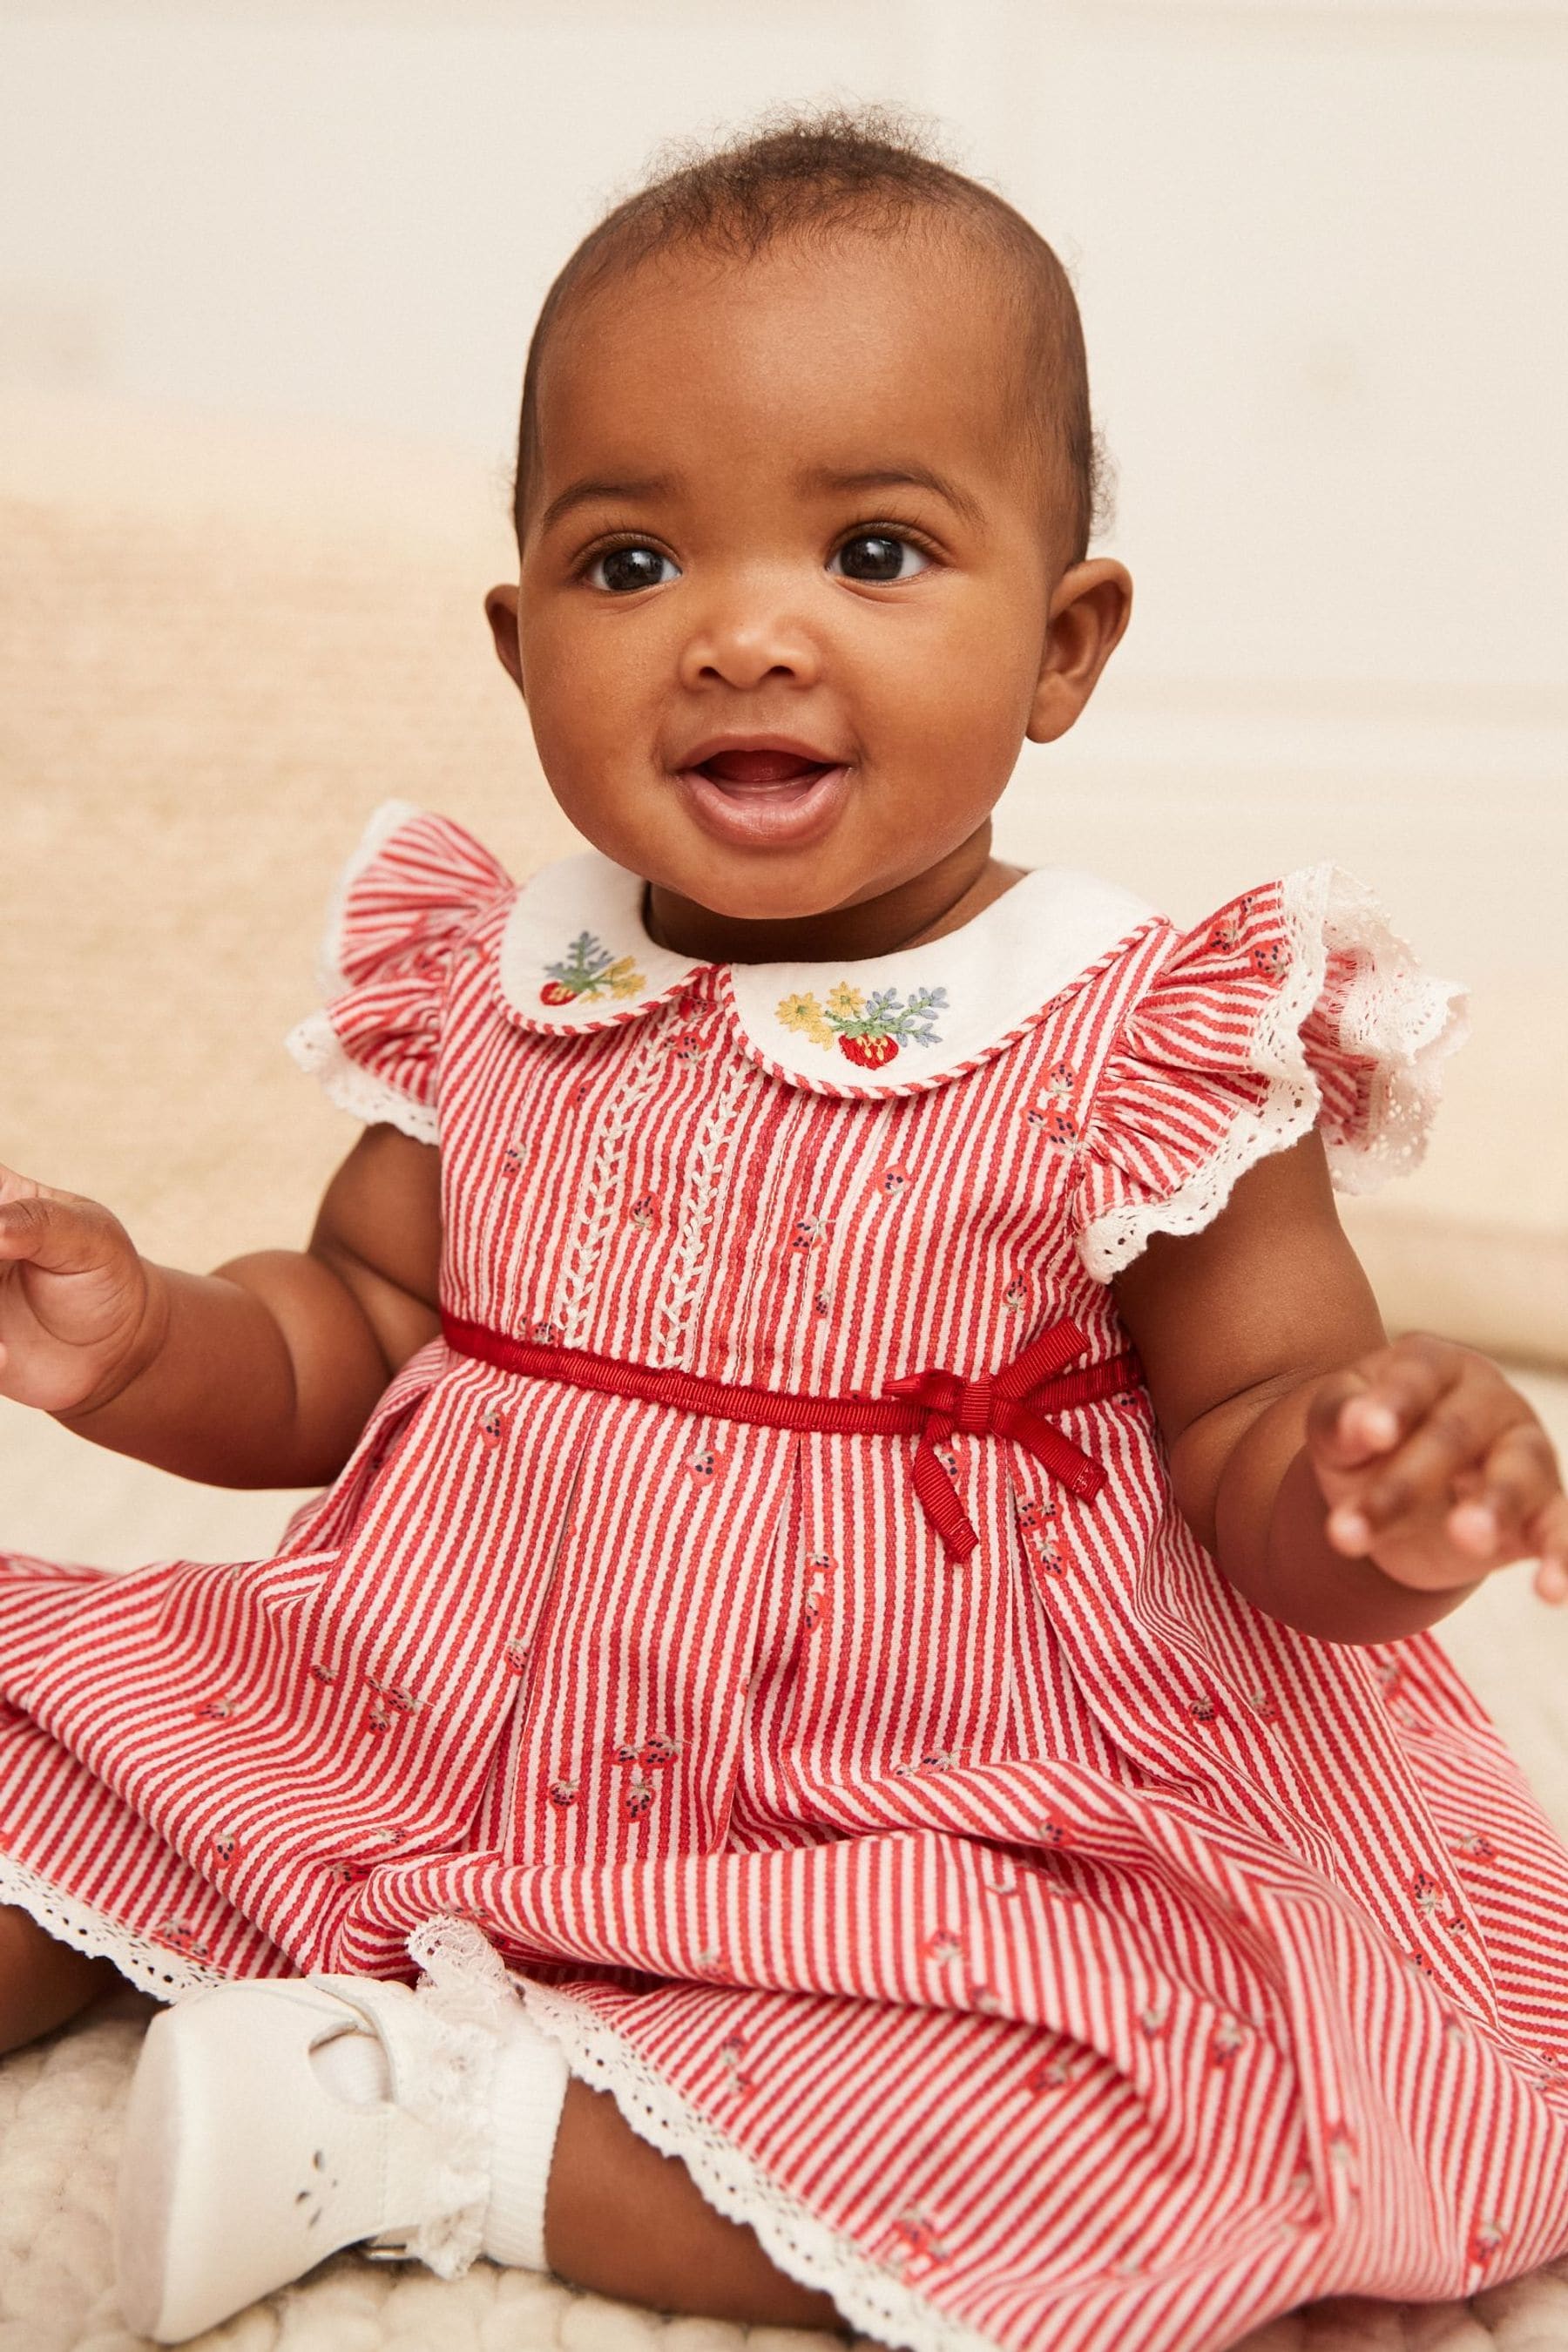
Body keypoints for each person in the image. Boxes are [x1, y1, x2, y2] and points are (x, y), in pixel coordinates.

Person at [1, 107, 1565, 2352]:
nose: (742, 636)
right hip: (447, 1686)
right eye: (634, 566)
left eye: (876, 552)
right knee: (71, 1719)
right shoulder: (513, 974)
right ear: (520, 629)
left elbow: (1253, 1443)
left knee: (1212, 2097)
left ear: (1067, 643)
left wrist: (1378, 1489)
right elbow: (349, 1327)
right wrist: (132, 1333)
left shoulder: (1133, 1035)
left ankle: (436, 2124)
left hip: (932, 1791)